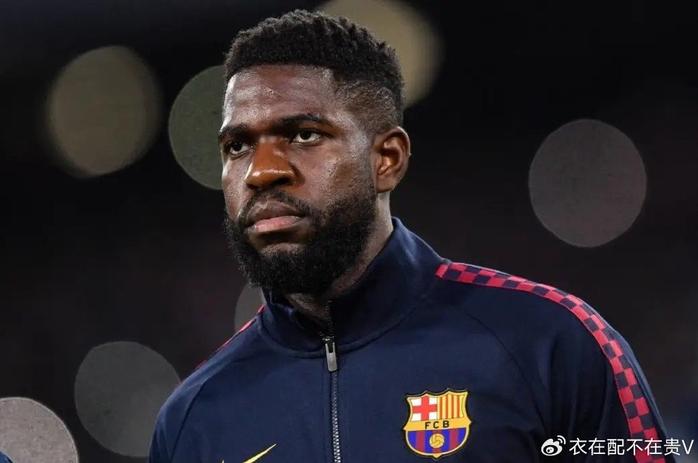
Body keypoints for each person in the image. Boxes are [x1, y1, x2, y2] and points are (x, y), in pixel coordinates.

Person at [150, 9, 671, 463]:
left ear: (387, 159)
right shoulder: (193, 419)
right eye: (238, 146)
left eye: (304, 135)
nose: (262, 171)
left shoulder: (553, 345)